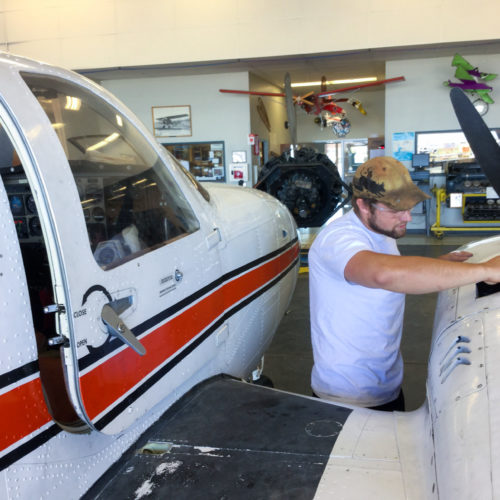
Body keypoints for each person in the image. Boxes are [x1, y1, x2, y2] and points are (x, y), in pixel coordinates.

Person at [309, 156, 500, 411]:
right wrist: (485, 271)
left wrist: (442, 264)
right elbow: (384, 275)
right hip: (346, 395)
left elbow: (395, 273)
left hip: (385, 384)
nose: (408, 217)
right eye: (397, 209)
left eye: (409, 207)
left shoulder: (381, 231)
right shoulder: (339, 238)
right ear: (364, 205)